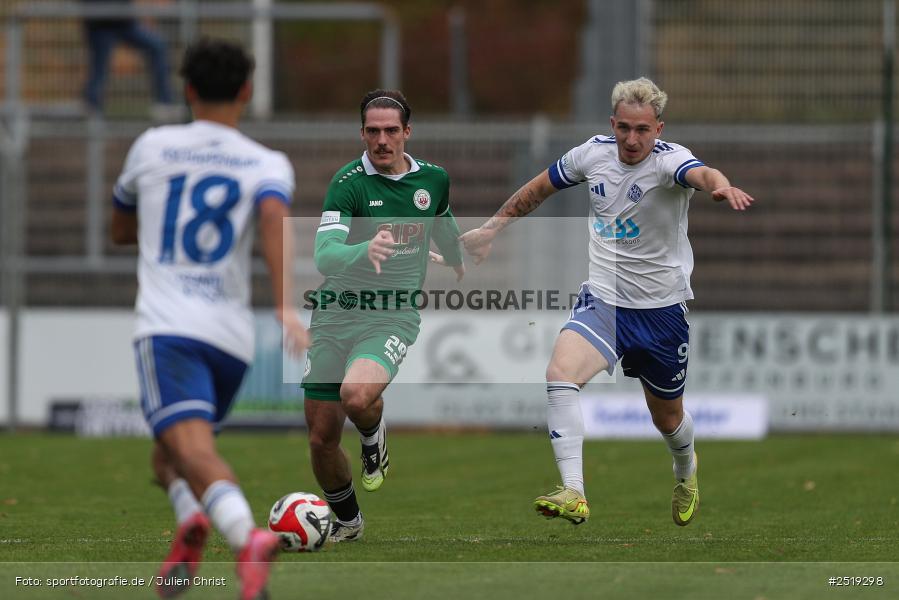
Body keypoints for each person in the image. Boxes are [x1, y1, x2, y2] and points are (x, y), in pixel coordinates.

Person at [460, 77, 754, 527]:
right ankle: (574, 491)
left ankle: (686, 468)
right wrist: (489, 230)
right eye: (624, 128)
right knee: (560, 375)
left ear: (658, 129)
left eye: (643, 130)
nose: (632, 139)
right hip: (604, 302)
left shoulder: (669, 162)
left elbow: (703, 174)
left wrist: (722, 185)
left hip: (661, 312)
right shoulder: (591, 155)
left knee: (668, 419)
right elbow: (538, 189)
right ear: (612, 123)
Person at [110, 38, 309, 599]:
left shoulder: (153, 146)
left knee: (193, 452)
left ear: (188, 89)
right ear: (246, 90)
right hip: (230, 339)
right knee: (169, 456)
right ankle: (191, 521)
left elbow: (120, 228)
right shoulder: (267, 161)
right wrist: (284, 305)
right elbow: (272, 215)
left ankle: (247, 537)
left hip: (169, 329)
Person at [300, 89, 464, 541]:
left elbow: (442, 218)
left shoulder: (433, 179)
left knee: (356, 396)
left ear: (407, 132)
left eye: (391, 130)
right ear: (362, 133)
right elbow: (324, 255)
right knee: (321, 437)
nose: (382, 140)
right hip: (335, 315)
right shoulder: (348, 183)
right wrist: (362, 249)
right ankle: (349, 522)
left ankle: (372, 436)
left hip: (391, 313)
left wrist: (456, 256)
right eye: (372, 131)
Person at [81, 0, 177, 117]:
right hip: (100, 25)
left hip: (124, 22)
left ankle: (164, 103)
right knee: (99, 68)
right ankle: (92, 108)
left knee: (157, 47)